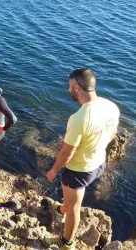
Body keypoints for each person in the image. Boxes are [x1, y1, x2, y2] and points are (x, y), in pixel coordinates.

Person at [45, 68, 120, 249]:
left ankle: (66, 242)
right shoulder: (111, 106)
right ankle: (61, 209)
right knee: (70, 201)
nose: (68, 89)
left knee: (74, 209)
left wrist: (54, 170)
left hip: (79, 170)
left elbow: (67, 153)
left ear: (78, 87)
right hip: (99, 163)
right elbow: (113, 134)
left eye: (70, 86)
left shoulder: (79, 118)